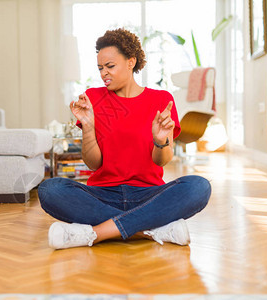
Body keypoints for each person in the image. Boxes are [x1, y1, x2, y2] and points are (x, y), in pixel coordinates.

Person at [38, 28, 211, 250]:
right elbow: (93, 164)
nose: (104, 73)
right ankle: (151, 230)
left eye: (110, 66)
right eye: (100, 68)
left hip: (148, 193)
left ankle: (95, 233)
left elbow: (162, 161)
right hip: (101, 194)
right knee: (49, 190)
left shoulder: (161, 99)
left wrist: (160, 140)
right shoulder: (93, 98)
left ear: (131, 62)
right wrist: (89, 127)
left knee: (199, 187)